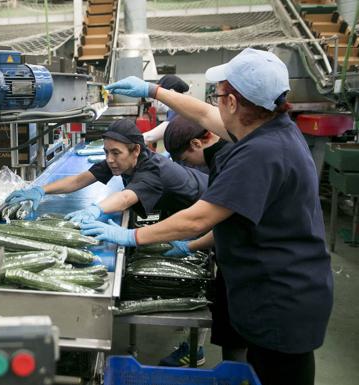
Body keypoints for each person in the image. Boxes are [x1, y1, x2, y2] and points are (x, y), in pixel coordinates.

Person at [84, 48, 333, 385]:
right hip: (288, 289)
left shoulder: (260, 153)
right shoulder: (269, 128)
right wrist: (152, 91)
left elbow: (197, 219)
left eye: (219, 96)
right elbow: (202, 114)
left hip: (281, 299)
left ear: (232, 103)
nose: (214, 104)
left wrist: (130, 237)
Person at [159, 115, 248, 367]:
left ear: (197, 144)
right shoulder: (222, 156)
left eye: (186, 159)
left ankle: (236, 374)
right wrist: (190, 245)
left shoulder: (228, 162)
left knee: (242, 340)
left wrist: (133, 236)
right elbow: (225, 224)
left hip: (250, 268)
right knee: (232, 335)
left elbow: (200, 222)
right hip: (233, 261)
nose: (187, 165)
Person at [5, 119, 208, 223]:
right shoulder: (121, 160)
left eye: (115, 153)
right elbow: (79, 180)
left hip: (203, 204)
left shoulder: (151, 170)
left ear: (136, 149)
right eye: (106, 152)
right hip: (176, 207)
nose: (110, 159)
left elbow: (125, 198)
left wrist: (96, 209)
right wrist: (41, 190)